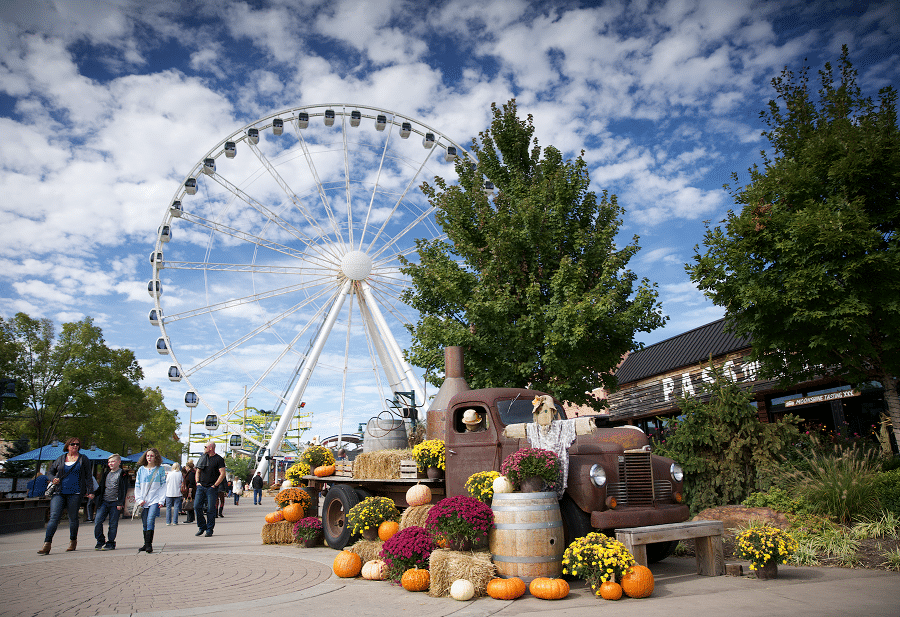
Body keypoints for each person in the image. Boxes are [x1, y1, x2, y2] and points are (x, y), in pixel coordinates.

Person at [38, 437, 95, 555]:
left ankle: (73, 541)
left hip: (76, 492)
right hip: (59, 492)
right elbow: (50, 472)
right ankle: (47, 544)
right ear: (67, 446)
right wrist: (53, 479)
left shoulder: (83, 459)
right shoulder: (61, 458)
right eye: (73, 444)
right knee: (54, 517)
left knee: (73, 518)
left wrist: (90, 491)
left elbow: (88, 476)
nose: (75, 446)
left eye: (77, 444)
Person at [134, 448, 166, 553]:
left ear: (156, 457)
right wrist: (139, 499)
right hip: (143, 500)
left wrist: (161, 500)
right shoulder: (141, 470)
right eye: (147, 456)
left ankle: (149, 545)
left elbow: (163, 486)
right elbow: (137, 486)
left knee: (150, 520)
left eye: (151, 456)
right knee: (144, 523)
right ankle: (145, 543)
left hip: (154, 499)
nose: (149, 458)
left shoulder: (160, 470)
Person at [94, 454, 127, 550]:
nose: (110, 464)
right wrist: (93, 494)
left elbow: (123, 489)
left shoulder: (122, 474)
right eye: (109, 462)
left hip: (115, 503)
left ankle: (111, 542)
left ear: (119, 462)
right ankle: (100, 540)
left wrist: (120, 503)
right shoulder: (106, 473)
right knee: (98, 521)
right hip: (104, 501)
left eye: (113, 461)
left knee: (113, 524)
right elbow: (101, 487)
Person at [194, 441, 226, 537]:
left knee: (211, 509)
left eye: (205, 447)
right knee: (197, 506)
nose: (204, 448)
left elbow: (222, 473)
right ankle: (202, 526)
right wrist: (197, 482)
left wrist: (215, 485)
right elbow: (198, 471)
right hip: (201, 486)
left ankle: (209, 529)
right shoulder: (203, 458)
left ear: (211, 448)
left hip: (211, 488)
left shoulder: (219, 459)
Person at [165, 462, 183, 526]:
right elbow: (182, 482)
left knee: (168, 508)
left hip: (169, 492)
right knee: (176, 507)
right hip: (177, 492)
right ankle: (175, 522)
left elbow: (166, 482)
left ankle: (168, 522)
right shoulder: (180, 474)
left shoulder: (169, 473)